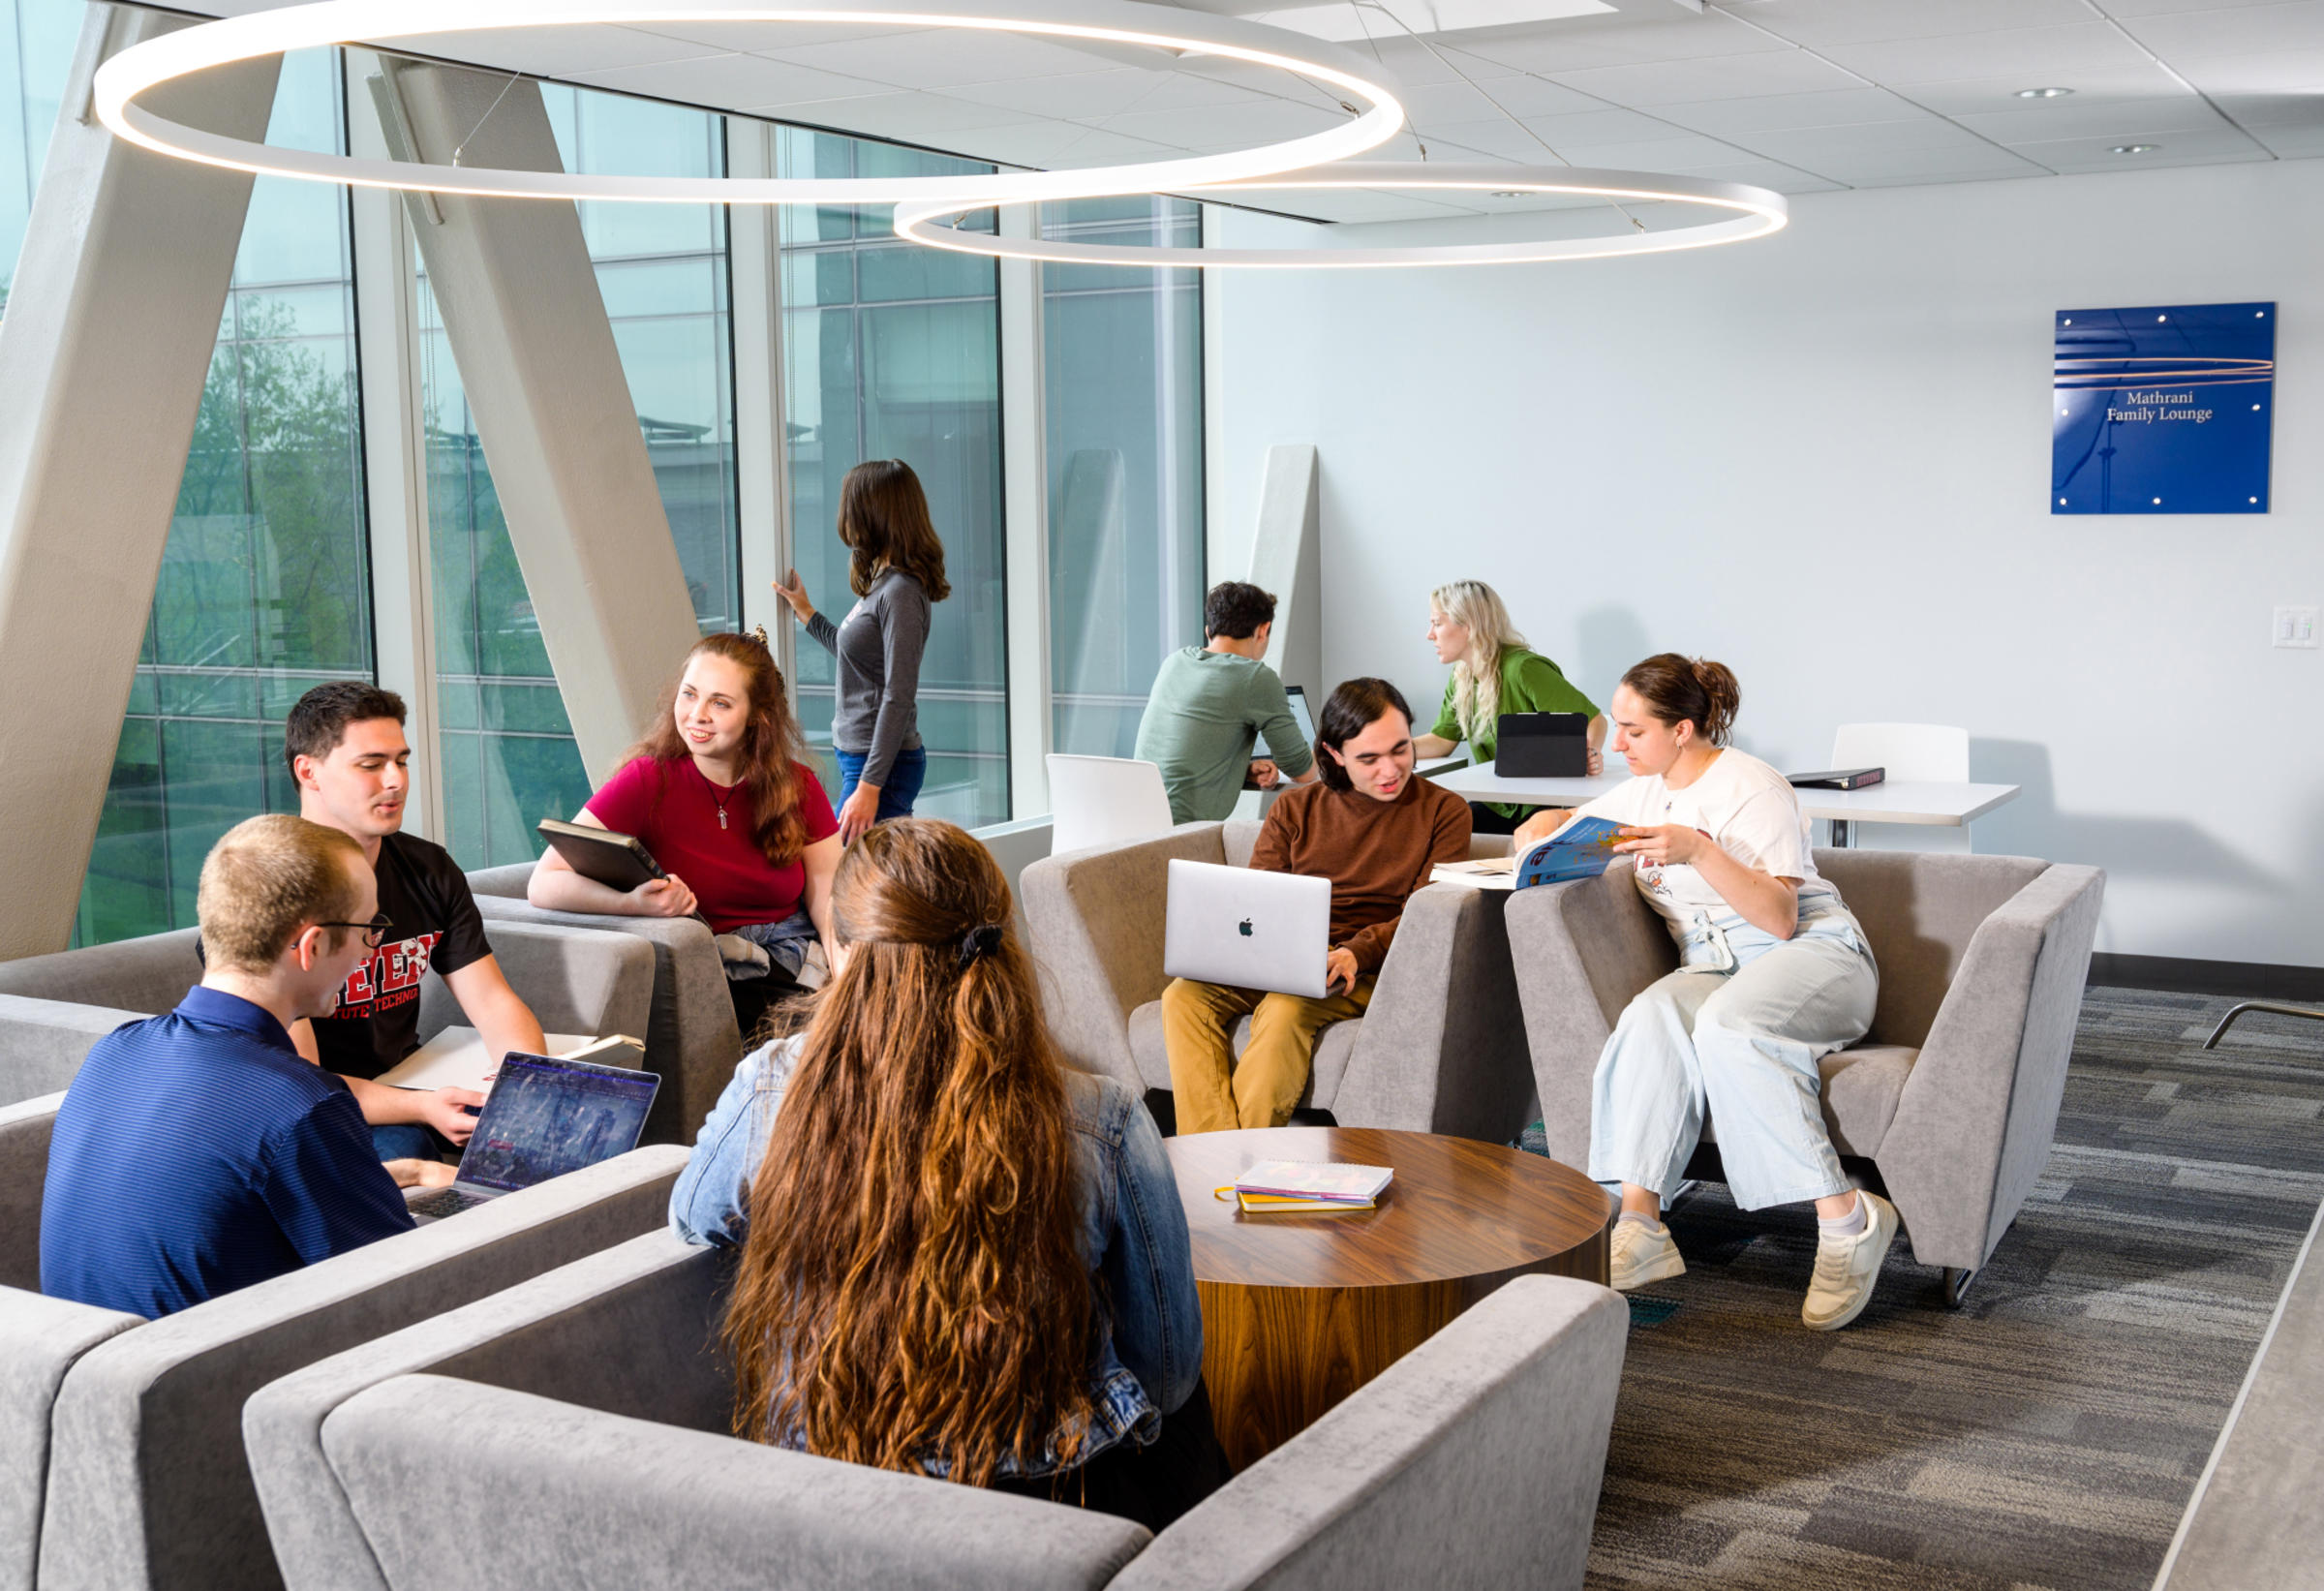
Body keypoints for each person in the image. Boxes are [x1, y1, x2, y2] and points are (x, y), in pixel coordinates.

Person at [669, 819, 1225, 1528]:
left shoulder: (771, 1086)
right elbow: (1168, 1374)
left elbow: (693, 1216)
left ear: (842, 950)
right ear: (1001, 946)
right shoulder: (1104, 1117)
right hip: (1048, 1503)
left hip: (828, 1484)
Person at [1544, 655, 1896, 1331]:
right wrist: (1544, 827)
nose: (1617, 745)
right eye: (1617, 727)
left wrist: (1701, 851)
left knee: (1730, 1027)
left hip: (1809, 953)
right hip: (1715, 964)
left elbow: (1780, 918)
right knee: (1649, 1017)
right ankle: (1641, 1224)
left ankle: (1849, 1220)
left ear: (1682, 729)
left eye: (1633, 731)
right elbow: (1572, 822)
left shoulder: (1753, 787)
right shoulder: (1642, 792)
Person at [41, 815, 440, 1319]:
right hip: (228, 1365)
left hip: (93, 1359)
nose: (370, 950)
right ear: (313, 946)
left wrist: (408, 1173)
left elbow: (220, 1200)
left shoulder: (115, 1052)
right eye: (369, 930)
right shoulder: (301, 1104)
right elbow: (403, 1295)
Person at [1161, 678, 1471, 1133]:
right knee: (1183, 997)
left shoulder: (1445, 811)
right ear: (1334, 753)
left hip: (1367, 965)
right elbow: (1260, 898)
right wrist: (1244, 950)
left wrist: (1354, 953)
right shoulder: (1294, 808)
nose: (1390, 770)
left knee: (1286, 1007)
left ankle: (1235, 1158)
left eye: (1401, 749)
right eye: (1369, 758)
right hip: (1286, 957)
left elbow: (1423, 915)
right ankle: (1219, 1156)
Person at [529, 631, 842, 1045]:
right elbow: (544, 883)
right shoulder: (647, 780)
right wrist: (632, 904)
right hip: (709, 972)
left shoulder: (797, 785)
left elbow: (833, 904)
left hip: (795, 962)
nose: (697, 714)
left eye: (720, 703)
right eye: (689, 694)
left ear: (758, 716)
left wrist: (851, 982)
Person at [287, 682, 546, 1162]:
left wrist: (529, 1085)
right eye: (371, 765)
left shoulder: (428, 869)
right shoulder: (270, 888)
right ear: (309, 771)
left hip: (409, 1084)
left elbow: (492, 1001)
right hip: (316, 1112)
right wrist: (424, 1108)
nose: (396, 781)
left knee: (562, 1127)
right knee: (409, 1144)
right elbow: (303, 1084)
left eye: (401, 761)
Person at [770, 459, 946, 844]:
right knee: (869, 870)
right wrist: (807, 613)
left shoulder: (901, 592)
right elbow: (856, 657)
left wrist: (870, 785)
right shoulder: (883, 582)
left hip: (882, 766)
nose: (844, 517)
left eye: (849, 505)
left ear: (873, 512)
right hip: (864, 759)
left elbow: (899, 693)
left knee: (848, 869)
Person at [1409, 579, 1605, 836]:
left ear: (1468, 625)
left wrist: (1588, 753)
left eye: (1437, 623)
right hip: (1499, 804)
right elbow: (1442, 741)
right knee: (1438, 830)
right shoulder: (1461, 677)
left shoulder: (1523, 668)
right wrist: (1393, 750)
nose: (1430, 634)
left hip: (1542, 804)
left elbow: (1595, 720)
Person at [1132, 579, 1318, 824]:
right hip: (1184, 832)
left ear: (1208, 630)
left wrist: (1242, 771)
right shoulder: (1254, 677)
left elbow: (1181, 755)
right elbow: (1302, 772)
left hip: (1137, 820)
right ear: (1263, 630)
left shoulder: (1175, 662)